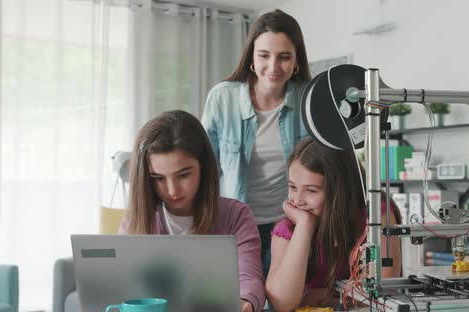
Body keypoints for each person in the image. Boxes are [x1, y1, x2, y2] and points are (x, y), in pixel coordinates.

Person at [201, 9, 311, 277]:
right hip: (233, 227)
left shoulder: (307, 100)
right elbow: (204, 168)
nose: (273, 67)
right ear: (251, 55)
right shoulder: (222, 98)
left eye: (284, 57)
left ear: (296, 59)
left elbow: (320, 170)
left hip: (287, 227)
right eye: (264, 55)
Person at [118, 110, 264, 312]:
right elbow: (124, 285)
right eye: (158, 178)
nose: (172, 190)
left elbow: (249, 277)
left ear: (203, 166)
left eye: (183, 174)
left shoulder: (236, 215)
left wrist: (245, 301)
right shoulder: (136, 220)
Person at [265, 138, 402, 311]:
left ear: (340, 191)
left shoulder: (375, 212)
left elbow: (382, 290)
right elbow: (282, 304)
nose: (297, 201)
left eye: (311, 190)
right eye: (293, 187)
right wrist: (304, 226)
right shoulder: (288, 229)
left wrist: (314, 295)